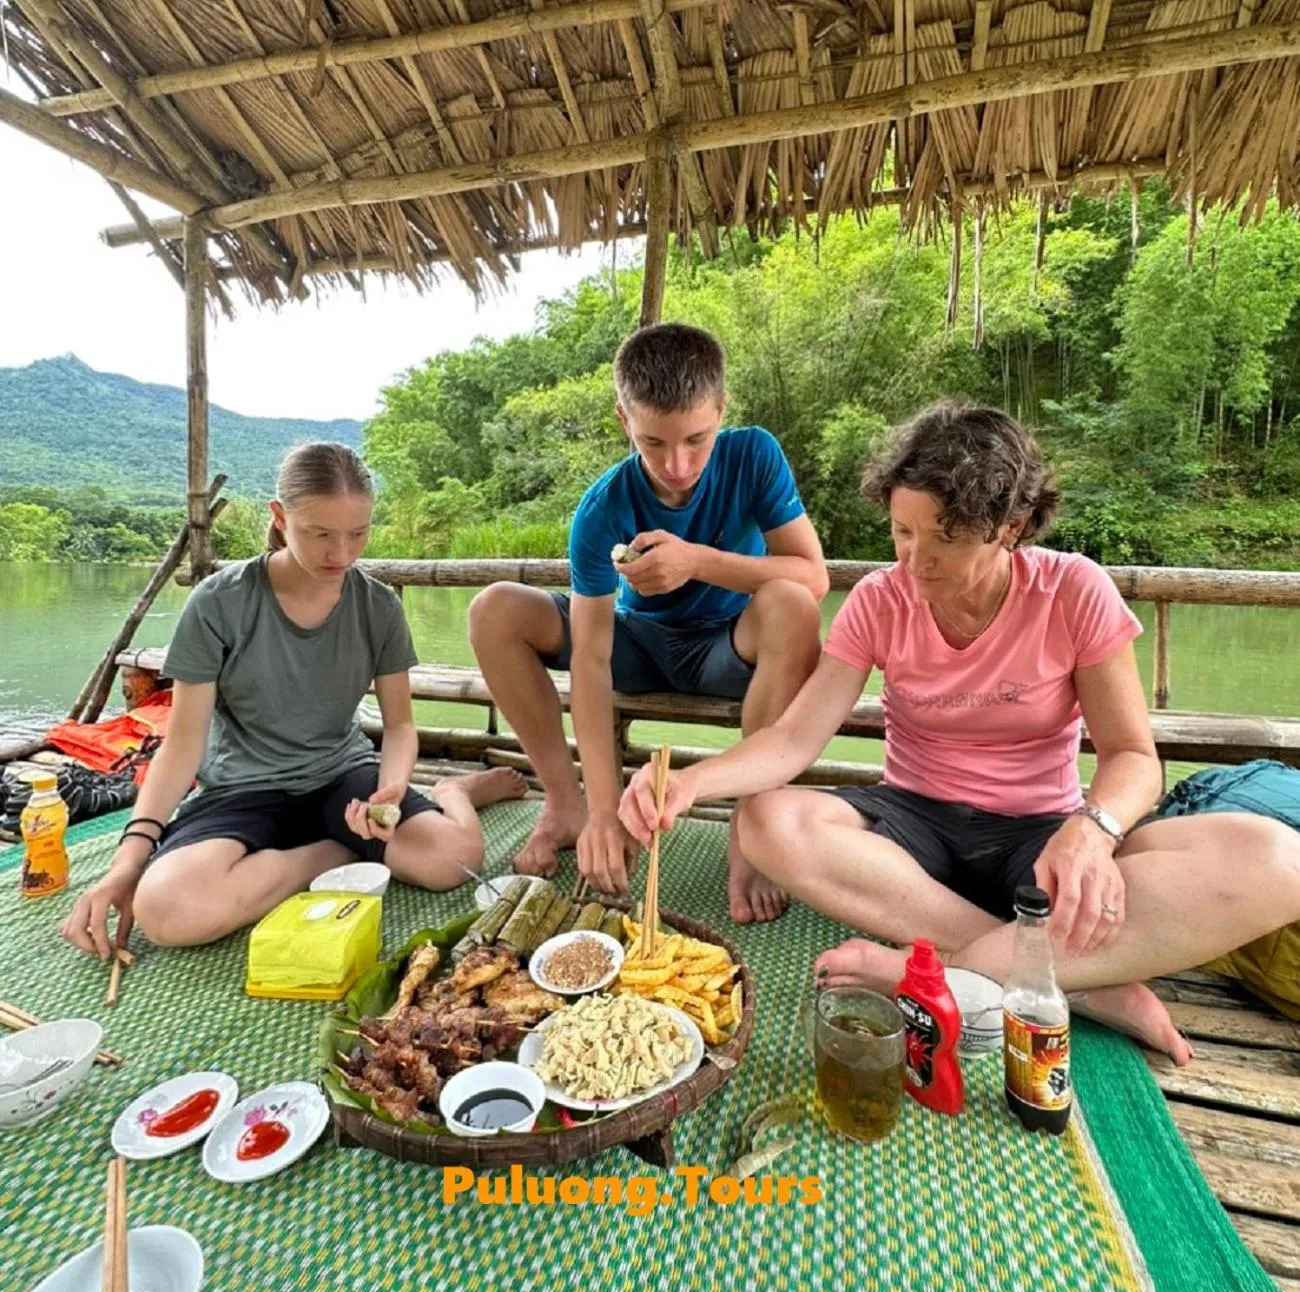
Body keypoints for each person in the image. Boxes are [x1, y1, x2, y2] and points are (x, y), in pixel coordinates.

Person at [620, 403, 1300, 1061]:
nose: (916, 561)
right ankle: (1072, 982)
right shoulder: (880, 600)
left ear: (1012, 524)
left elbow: (1132, 758)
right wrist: (688, 781)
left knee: (1276, 858)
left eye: (945, 536)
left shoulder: (1073, 591)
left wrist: (1093, 829)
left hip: (1040, 837)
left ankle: (936, 972)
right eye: (902, 531)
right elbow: (795, 739)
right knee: (765, 820)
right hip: (913, 834)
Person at [60, 442, 525, 958]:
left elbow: (398, 726)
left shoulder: (378, 606)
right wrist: (129, 862)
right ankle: (335, 853)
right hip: (242, 790)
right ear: (280, 518)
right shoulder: (219, 602)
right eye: (319, 534)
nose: (341, 554)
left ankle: (455, 794)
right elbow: (182, 745)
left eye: (358, 534)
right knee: (168, 910)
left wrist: (389, 791)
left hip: (340, 779)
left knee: (450, 862)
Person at [469, 323, 828, 923]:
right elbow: (589, 658)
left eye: (697, 439)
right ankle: (565, 805)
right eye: (653, 443)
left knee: (793, 602)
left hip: (727, 646)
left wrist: (695, 561)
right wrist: (605, 811)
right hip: (633, 647)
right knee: (494, 609)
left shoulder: (754, 455)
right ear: (623, 419)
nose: (678, 464)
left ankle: (755, 822)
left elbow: (813, 576)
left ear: (722, 409)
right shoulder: (603, 507)